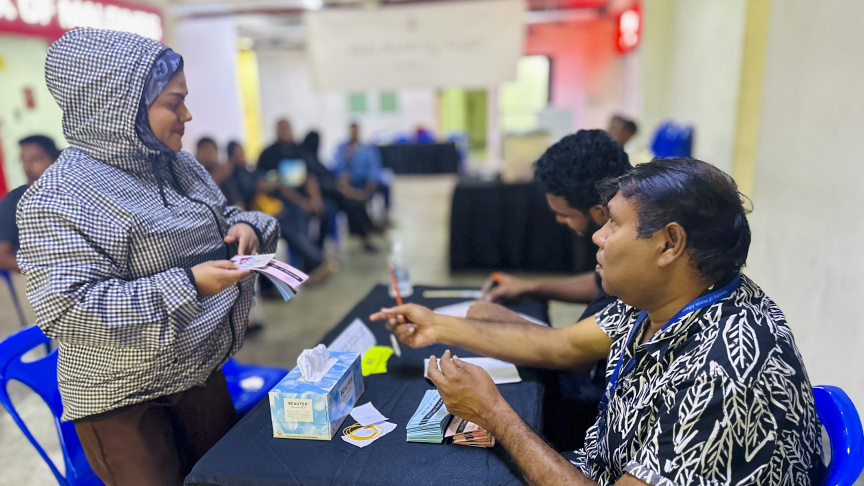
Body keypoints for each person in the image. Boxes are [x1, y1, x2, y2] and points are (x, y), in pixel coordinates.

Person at [373, 158, 825, 485]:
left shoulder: (724, 374)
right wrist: (437, 326)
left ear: (669, 244)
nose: (597, 236)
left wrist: (493, 413)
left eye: (614, 224)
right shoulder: (672, 296)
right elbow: (561, 347)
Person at [16, 28, 279, 486]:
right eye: (174, 103)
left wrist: (248, 228)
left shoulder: (178, 165)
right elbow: (70, 310)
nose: (187, 115)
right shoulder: (57, 199)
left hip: (196, 370)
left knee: (221, 477)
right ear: (118, 108)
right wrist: (188, 285)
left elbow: (224, 217)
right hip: (125, 399)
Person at [474, 130, 631, 450]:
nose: (560, 222)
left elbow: (569, 353)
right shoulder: (620, 244)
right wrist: (533, 287)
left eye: (565, 214)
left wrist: (443, 325)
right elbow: (599, 284)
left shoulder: (633, 256)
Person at [257, 119, 336, 280]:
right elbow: (276, 185)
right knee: (299, 217)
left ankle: (316, 252)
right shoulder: (268, 154)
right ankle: (310, 263)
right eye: (281, 128)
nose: (284, 132)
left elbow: (310, 177)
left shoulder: (300, 151)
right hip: (282, 202)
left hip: (305, 198)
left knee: (328, 210)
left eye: (287, 128)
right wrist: (303, 203)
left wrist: (315, 200)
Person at [301, 131, 377, 253]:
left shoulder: (313, 158)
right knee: (344, 203)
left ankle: (365, 234)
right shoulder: (306, 159)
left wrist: (339, 181)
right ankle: (364, 236)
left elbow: (327, 174)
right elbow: (316, 181)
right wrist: (339, 187)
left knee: (353, 204)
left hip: (330, 191)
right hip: (321, 194)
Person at [0, 135, 60, 272]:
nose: (26, 168)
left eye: (35, 159)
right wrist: (45, 272)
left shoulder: (72, 193)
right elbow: (2, 256)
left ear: (55, 160)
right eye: (23, 161)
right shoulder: (13, 202)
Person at [334, 122, 390, 227]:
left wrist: (372, 178)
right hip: (352, 181)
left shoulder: (368, 148)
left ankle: (385, 216)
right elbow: (339, 165)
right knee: (348, 194)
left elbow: (374, 164)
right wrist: (344, 173)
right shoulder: (343, 148)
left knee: (385, 188)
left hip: (366, 180)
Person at [197, 136, 244, 209]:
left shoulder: (226, 175)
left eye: (211, 151)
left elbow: (237, 201)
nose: (208, 155)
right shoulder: (193, 175)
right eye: (204, 151)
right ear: (197, 154)